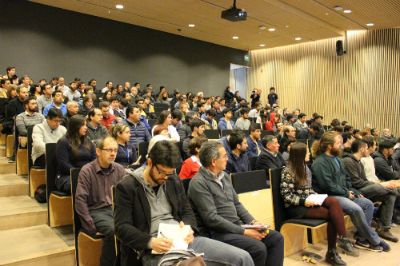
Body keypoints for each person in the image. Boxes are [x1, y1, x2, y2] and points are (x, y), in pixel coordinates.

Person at [114, 140, 254, 266]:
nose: (165, 177)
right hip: (153, 247)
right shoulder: (128, 186)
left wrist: (188, 228)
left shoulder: (172, 180)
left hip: (182, 240)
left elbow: (187, 211)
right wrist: (150, 242)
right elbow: (122, 227)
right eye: (162, 172)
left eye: (169, 173)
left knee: (243, 258)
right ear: (150, 163)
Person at [188, 141, 284, 266]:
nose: (227, 158)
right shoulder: (198, 183)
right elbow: (212, 219)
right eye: (224, 156)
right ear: (213, 161)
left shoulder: (225, 176)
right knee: (258, 248)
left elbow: (237, 204)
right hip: (218, 232)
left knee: (276, 238)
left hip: (237, 226)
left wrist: (253, 222)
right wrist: (244, 232)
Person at [280, 142, 358, 265]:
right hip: (297, 207)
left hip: (309, 200)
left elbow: (308, 189)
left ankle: (342, 240)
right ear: (300, 155)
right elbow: (287, 196)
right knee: (332, 215)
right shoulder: (288, 171)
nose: (309, 154)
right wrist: (304, 201)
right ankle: (332, 252)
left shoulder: (305, 167)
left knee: (333, 201)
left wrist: (316, 196)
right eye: (307, 152)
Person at [312, 131, 390, 252]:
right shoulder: (320, 162)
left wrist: (352, 190)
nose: (341, 146)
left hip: (342, 193)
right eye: (338, 143)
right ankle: (375, 240)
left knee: (367, 204)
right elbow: (328, 186)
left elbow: (347, 178)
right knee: (356, 208)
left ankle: (362, 238)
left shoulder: (337, 159)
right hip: (330, 197)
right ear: (329, 146)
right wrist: (346, 193)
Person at [75, 136, 125, 266]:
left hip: (116, 209)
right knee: (115, 230)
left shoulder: (119, 169)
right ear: (98, 151)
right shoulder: (87, 171)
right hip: (97, 211)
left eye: (115, 150)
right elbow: (80, 201)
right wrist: (90, 226)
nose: (113, 153)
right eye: (109, 150)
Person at [342, 140, 398, 242]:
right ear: (362, 149)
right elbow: (356, 183)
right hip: (355, 190)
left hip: (363, 188)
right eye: (367, 148)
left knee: (391, 195)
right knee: (388, 189)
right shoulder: (348, 161)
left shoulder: (359, 161)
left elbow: (364, 180)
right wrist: (380, 184)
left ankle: (383, 228)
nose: (369, 150)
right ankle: (378, 217)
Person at [56, 115, 96, 194]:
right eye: (82, 125)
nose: (86, 127)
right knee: (83, 184)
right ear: (74, 127)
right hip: (68, 176)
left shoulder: (88, 141)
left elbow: (94, 160)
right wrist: (81, 173)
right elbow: (64, 164)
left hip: (87, 174)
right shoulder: (63, 142)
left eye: (86, 125)